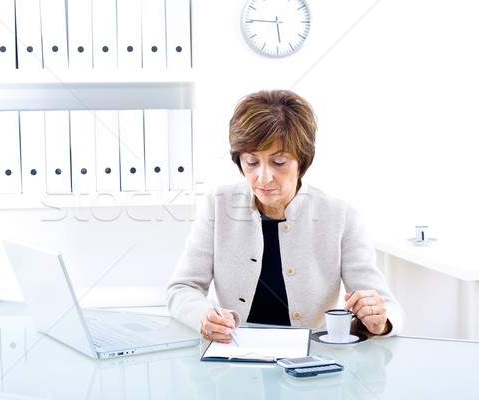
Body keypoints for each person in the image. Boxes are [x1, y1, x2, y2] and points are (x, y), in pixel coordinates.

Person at [166, 89, 404, 343]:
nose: (264, 177)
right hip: (235, 356)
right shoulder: (218, 206)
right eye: (251, 162)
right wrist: (204, 316)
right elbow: (181, 289)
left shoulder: (341, 216)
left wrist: (380, 321)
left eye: (279, 163)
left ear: (301, 161)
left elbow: (387, 306)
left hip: (310, 362)